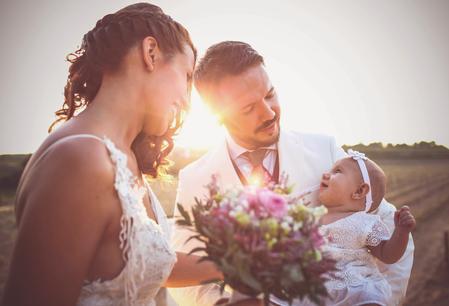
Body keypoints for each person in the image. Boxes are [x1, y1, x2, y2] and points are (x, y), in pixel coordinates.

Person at [2, 3, 223, 306]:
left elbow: (145, 267)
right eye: (186, 76)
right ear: (151, 53)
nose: (186, 100)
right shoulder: (80, 159)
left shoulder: (121, 157)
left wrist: (236, 264)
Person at [170, 41, 414, 306]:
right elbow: (183, 274)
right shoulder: (195, 180)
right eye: (248, 108)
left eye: (270, 94)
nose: (269, 112)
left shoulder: (326, 150)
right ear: (217, 115)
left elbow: (390, 228)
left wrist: (382, 300)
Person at [309, 151, 416, 306]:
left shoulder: (364, 222)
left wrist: (401, 232)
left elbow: (387, 255)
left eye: (337, 171)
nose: (325, 174)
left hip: (355, 287)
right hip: (317, 290)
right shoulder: (311, 217)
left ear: (359, 191)